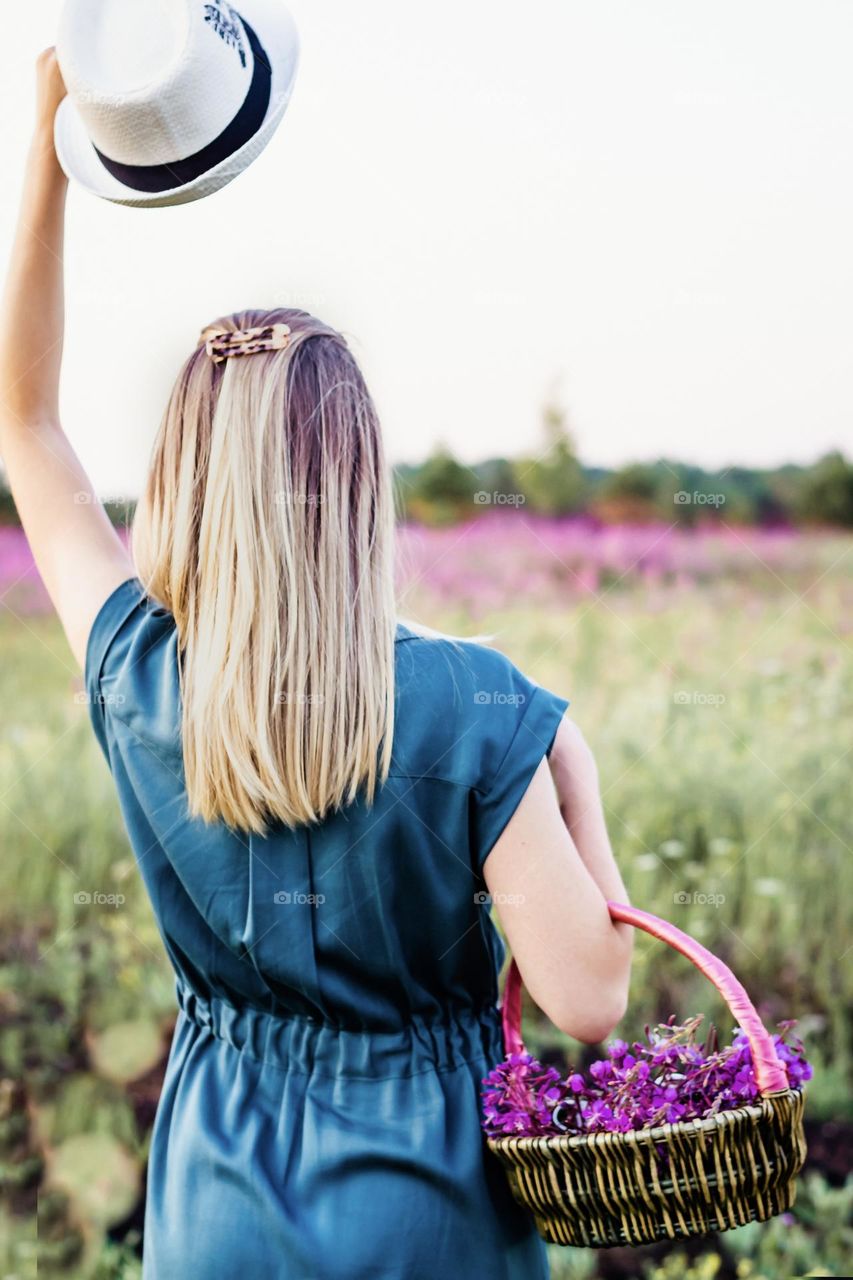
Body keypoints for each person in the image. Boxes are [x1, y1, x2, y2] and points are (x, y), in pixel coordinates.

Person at [0, 51, 633, 1280]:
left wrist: (51, 143)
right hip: (428, 1213)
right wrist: (579, 781)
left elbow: (23, 425)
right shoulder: (474, 703)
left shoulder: (140, 671)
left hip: (216, 1207)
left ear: (188, 477)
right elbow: (592, 998)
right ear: (356, 486)